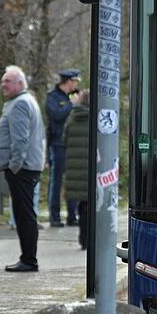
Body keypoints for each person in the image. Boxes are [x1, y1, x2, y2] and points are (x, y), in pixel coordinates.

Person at [0, 66, 46, 269]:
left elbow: (20, 140)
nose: (3, 84)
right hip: (28, 167)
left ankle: (29, 260)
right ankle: (28, 258)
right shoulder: (25, 100)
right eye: (3, 81)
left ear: (20, 84)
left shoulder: (20, 103)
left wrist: (14, 166)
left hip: (22, 169)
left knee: (24, 214)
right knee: (25, 213)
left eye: (8, 81)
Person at [45, 69, 82, 227]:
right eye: (75, 81)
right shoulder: (52, 97)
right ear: (68, 81)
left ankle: (72, 216)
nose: (77, 84)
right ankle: (55, 217)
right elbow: (56, 116)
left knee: (73, 182)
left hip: (73, 144)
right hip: (58, 145)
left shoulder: (75, 96)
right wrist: (70, 104)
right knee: (57, 181)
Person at [64, 102, 91, 250]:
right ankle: (89, 239)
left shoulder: (71, 118)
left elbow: (64, 139)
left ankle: (83, 238)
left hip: (74, 168)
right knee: (89, 205)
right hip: (90, 169)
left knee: (82, 205)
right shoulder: (95, 119)